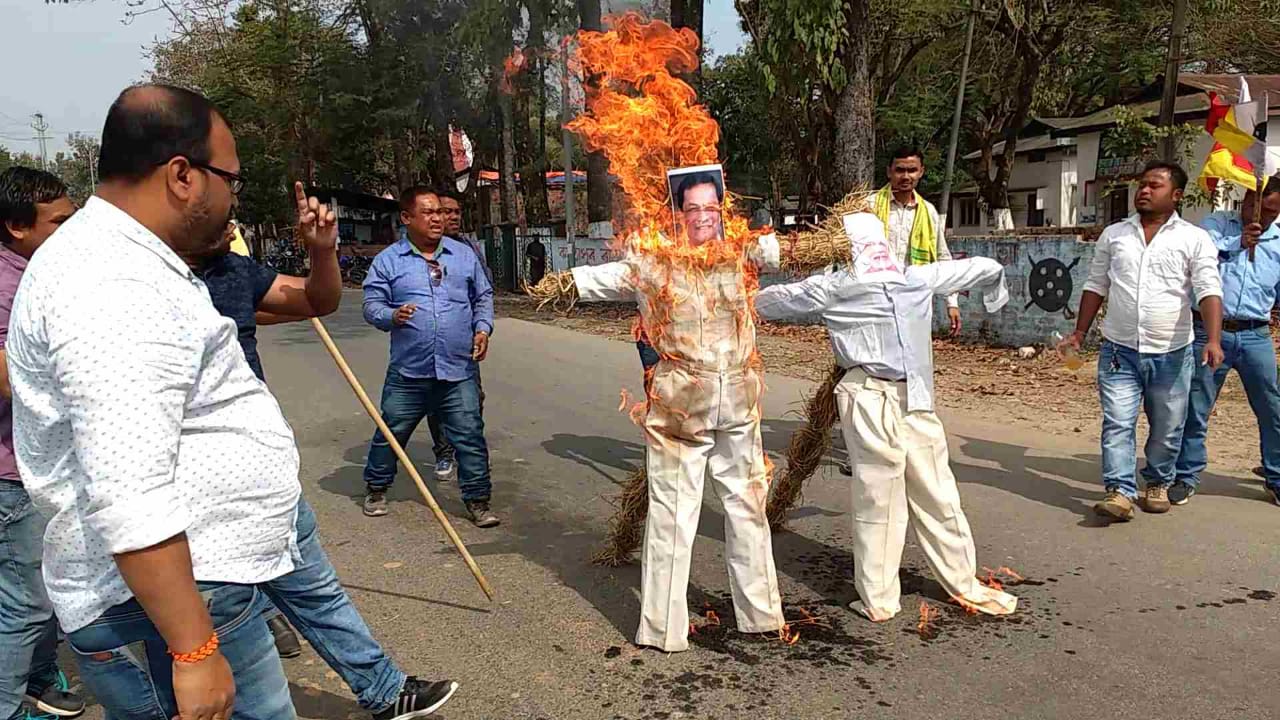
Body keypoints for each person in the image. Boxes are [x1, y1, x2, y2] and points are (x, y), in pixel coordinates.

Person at [8, 83, 298, 720]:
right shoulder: (110, 283)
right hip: (170, 600)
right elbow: (129, 486)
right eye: (232, 179)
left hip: (187, 588)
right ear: (183, 176)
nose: (233, 198)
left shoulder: (123, 259)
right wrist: (194, 650)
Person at [201, 189, 458, 718]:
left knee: (318, 593)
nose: (232, 225)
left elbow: (317, 301)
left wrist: (321, 251)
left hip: (265, 477)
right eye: (223, 210)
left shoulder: (231, 269)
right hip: (203, 498)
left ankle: (385, 691)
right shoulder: (136, 281)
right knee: (252, 678)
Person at [755, 213, 1018, 622]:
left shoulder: (835, 286)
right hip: (905, 397)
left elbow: (772, 301)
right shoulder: (915, 278)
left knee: (881, 499)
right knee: (937, 495)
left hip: (878, 397)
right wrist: (995, 293)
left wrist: (732, 289)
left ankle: (879, 598)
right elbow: (983, 268)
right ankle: (958, 583)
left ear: (842, 248)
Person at [566, 170, 784, 652]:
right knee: (673, 513)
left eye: (712, 207)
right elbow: (606, 279)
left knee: (749, 506)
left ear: (721, 212)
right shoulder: (655, 262)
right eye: (693, 208)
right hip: (681, 403)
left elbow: (788, 251)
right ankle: (664, 628)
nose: (703, 216)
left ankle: (761, 614)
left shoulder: (740, 254)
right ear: (679, 214)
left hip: (739, 401)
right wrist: (562, 283)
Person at [1058, 161, 1225, 521]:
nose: (1144, 191)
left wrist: (1213, 339)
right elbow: (1096, 285)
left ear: (1176, 195)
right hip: (1119, 349)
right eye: (1142, 185)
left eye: (1154, 186)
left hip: (1172, 352)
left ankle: (1158, 482)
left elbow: (1208, 289)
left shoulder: (1194, 239)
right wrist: (1079, 332)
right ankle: (1119, 491)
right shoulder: (1115, 235)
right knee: (1117, 420)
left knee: (1167, 426)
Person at [0, 167, 85, 720]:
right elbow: (7, 380)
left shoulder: (42, 274)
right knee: (25, 601)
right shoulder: (6, 287)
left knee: (44, 587)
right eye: (59, 222)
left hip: (45, 464)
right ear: (15, 226)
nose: (72, 231)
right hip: (14, 470)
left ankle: (36, 677)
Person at [362, 186, 498, 527]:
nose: (438, 218)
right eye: (429, 213)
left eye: (440, 212)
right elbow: (371, 305)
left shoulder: (462, 255)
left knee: (469, 435)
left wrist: (482, 329)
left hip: (459, 368)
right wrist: (391, 316)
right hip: (410, 372)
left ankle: (478, 501)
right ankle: (377, 488)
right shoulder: (389, 261)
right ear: (407, 218)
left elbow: (483, 296)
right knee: (392, 431)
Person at [1172, 178, 1280, 508]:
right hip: (1209, 331)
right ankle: (1186, 476)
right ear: (1246, 198)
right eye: (1257, 205)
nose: (1262, 214)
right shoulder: (1216, 224)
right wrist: (1238, 242)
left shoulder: (1279, 240)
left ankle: (1275, 476)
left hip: (1256, 333)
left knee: (1272, 408)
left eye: (1273, 210)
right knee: (1196, 405)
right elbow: (1197, 261)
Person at [426, 190, 490, 482]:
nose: (451, 217)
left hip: (463, 344)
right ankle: (444, 452)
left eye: (455, 212)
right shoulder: (423, 251)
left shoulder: (468, 248)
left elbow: (482, 293)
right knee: (437, 401)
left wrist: (482, 327)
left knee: (473, 400)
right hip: (429, 345)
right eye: (445, 211)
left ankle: (470, 454)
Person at [874, 146, 962, 336]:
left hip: (914, 299)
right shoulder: (869, 206)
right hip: (875, 298)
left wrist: (952, 303)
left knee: (912, 358)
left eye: (912, 170)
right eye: (900, 170)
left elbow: (942, 257)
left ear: (921, 172)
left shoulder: (928, 212)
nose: (906, 176)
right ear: (889, 172)